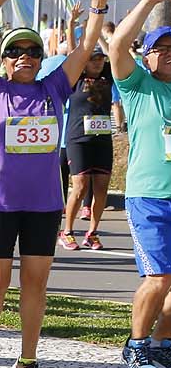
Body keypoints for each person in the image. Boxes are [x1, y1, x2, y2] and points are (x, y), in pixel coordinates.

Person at [0, 0, 107, 368]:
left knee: (35, 281)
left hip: (45, 204)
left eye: (31, 52)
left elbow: (84, 52)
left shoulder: (53, 89)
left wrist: (98, 7)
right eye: (14, 52)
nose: (24, 57)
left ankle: (28, 362)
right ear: (3, 61)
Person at [108, 0, 171, 368]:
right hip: (148, 196)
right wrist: (150, 0)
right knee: (159, 278)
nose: (168, 53)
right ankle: (135, 345)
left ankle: (162, 344)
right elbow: (115, 46)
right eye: (160, 48)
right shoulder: (138, 87)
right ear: (146, 56)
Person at [60, 45, 119, 251]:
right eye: (93, 58)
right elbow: (71, 58)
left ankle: (92, 233)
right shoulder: (75, 79)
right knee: (81, 186)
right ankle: (67, 231)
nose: (98, 62)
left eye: (100, 59)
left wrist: (105, 41)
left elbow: (117, 53)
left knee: (101, 187)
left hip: (102, 139)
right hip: (78, 139)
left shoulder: (107, 77)